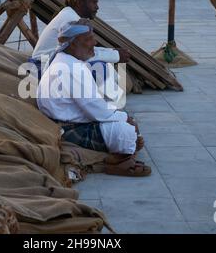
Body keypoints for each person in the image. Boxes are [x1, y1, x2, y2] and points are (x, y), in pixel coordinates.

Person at [37, 19, 151, 177]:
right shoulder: (71, 68)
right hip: (68, 128)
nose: (94, 42)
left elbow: (94, 107)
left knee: (122, 121)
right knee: (125, 131)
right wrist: (126, 120)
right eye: (88, 39)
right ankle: (118, 160)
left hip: (70, 121)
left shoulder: (67, 60)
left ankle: (123, 153)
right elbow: (97, 111)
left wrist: (121, 116)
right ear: (73, 44)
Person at [30, 0, 130, 106]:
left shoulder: (70, 14)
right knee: (100, 68)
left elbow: (84, 49)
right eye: (93, 2)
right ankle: (108, 107)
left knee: (104, 69)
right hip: (41, 67)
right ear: (79, 3)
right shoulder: (71, 19)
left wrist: (113, 53)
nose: (97, 7)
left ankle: (107, 103)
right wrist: (116, 55)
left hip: (48, 64)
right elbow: (82, 53)